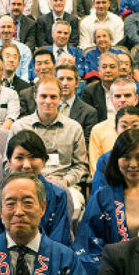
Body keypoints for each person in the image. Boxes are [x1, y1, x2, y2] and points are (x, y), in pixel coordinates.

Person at [74, 128, 139, 275]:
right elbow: (89, 243)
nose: (133, 164)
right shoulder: (102, 197)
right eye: (126, 157)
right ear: (116, 159)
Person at [10, 76, 89, 219]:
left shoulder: (74, 128)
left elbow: (81, 166)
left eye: (53, 97)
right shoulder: (19, 127)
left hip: (64, 185)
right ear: (35, 97)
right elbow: (7, 164)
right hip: (25, 183)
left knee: (75, 204)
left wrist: (65, 181)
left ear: (60, 99)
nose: (48, 101)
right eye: (43, 96)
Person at [0, 129, 72, 246]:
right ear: (9, 163)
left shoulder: (58, 196)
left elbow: (59, 243)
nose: (27, 165)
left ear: (44, 161)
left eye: (33, 157)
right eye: (19, 158)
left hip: (47, 259)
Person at [86, 76, 139, 171]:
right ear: (111, 99)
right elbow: (96, 169)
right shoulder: (98, 130)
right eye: (118, 96)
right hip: (109, 183)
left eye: (127, 95)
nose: (122, 100)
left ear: (136, 99)